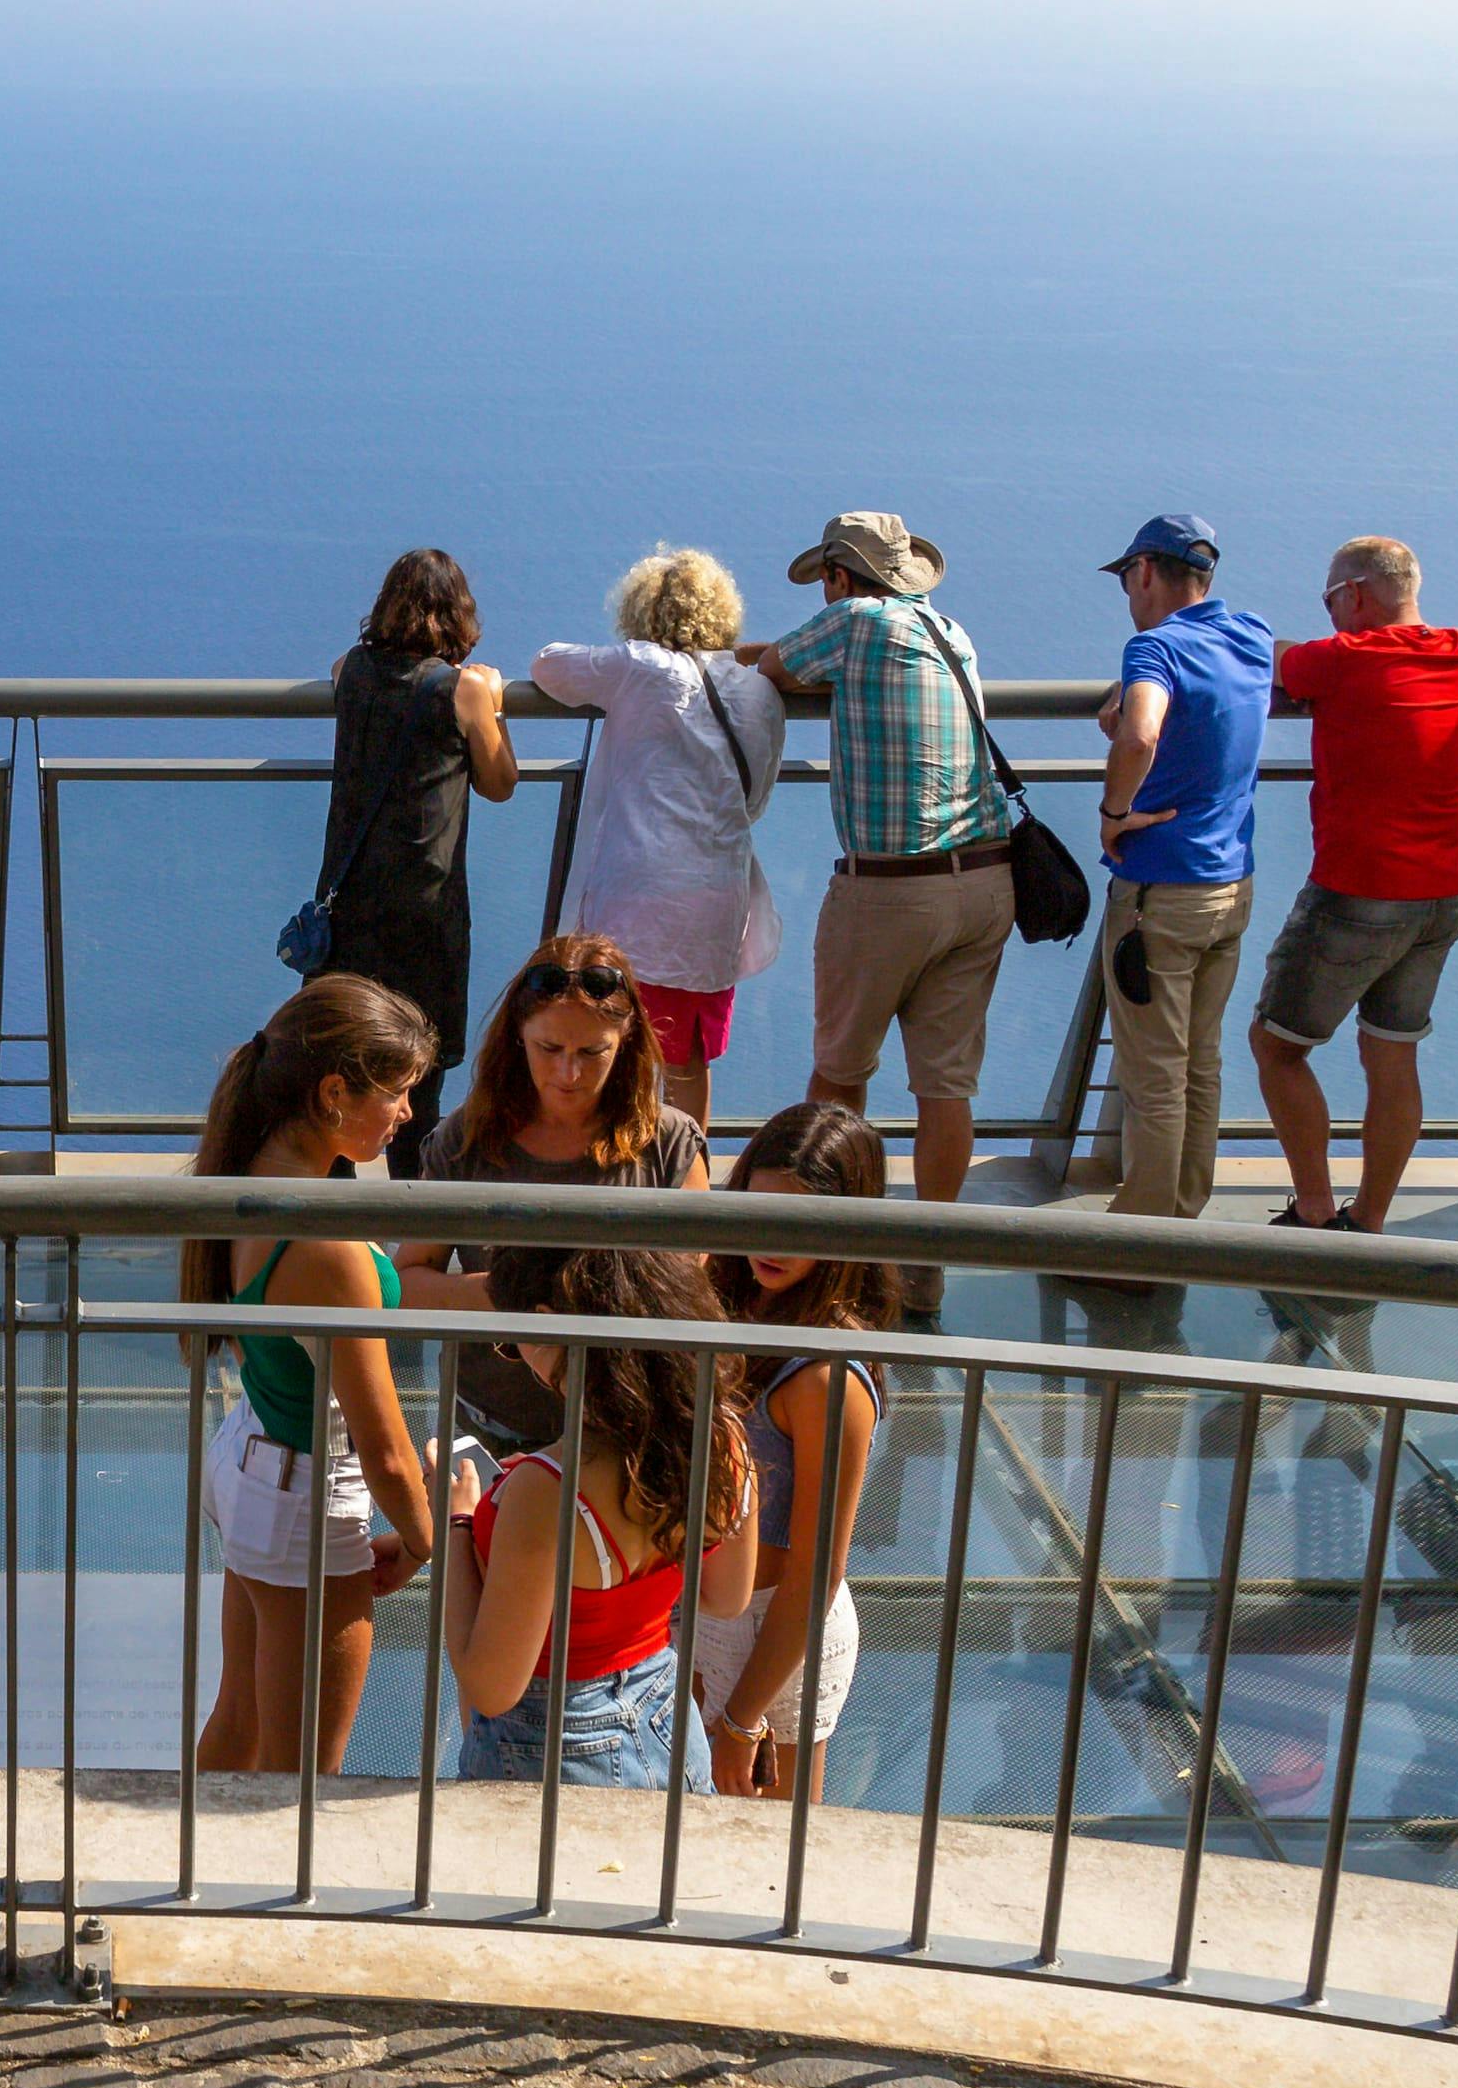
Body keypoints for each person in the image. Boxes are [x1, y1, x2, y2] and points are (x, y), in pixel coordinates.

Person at [184, 977, 465, 1775]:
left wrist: (486, 1297)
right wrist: (435, 1544)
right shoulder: (328, 1244)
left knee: (237, 1723)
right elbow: (384, 1450)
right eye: (400, 1092)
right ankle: (269, 1898)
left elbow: (366, 1292)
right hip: (308, 1503)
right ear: (336, 1092)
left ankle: (192, 1883)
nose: (409, 1112)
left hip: (254, 1468)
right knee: (302, 1778)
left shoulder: (262, 1177)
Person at [759, 511, 1013, 1275]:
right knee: (946, 1085)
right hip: (984, 881)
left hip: (893, 890)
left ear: (838, 578)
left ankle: (828, 1256)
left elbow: (772, 666)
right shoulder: (950, 631)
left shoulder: (854, 623)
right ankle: (927, 1262)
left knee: (839, 1073)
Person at [441, 1243, 761, 1790]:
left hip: (553, 1748)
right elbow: (726, 1598)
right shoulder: (720, 1438)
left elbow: (492, 1686)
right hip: (665, 1719)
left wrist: (456, 1523)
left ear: (546, 1329)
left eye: (509, 1342)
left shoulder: (547, 1491)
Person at [1248, 540, 1458, 1234]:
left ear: (1353, 595)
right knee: (1392, 1052)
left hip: (1361, 889)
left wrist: (1310, 642)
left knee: (1277, 1046)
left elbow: (1282, 658)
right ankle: (1371, 1220)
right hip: (1443, 892)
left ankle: (1317, 1210)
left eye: (1330, 601)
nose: (1327, 614)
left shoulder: (1343, 659)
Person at [410, 935, 714, 1455]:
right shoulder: (464, 1143)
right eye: (548, 1049)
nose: (568, 1074)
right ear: (516, 1039)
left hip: (627, 1431)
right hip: (494, 1428)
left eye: (592, 1052)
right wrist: (514, 1295)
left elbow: (688, 1296)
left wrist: (565, 1303)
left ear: (627, 1041)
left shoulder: (670, 1142)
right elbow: (410, 1286)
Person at [524, 550, 787, 1129]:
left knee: (609, 1045)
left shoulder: (639, 667)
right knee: (688, 1060)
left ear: (641, 608)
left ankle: (615, 1171)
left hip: (637, 893)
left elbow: (549, 665)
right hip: (718, 896)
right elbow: (757, 800)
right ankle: (685, 1185)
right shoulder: (759, 693)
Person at [692, 1105, 897, 1799]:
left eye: (801, 1222)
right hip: (703, 1615)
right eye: (759, 1210)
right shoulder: (730, 1303)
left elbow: (818, 1570)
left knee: (770, 1865)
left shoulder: (828, 1377)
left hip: (777, 1645)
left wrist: (744, 1716)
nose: (771, 1241)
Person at [1089, 516, 1275, 1225]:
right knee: (1201, 1063)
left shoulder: (1154, 646)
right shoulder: (1250, 634)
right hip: (1232, 885)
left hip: (1161, 891)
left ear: (1144, 572)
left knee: (1154, 1076)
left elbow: (1140, 732)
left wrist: (1114, 812)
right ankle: (1183, 1218)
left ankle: (1139, 1242)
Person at [305, 554, 518, 1173]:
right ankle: (416, 1233)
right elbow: (500, 783)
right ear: (458, 613)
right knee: (417, 1085)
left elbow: (343, 665)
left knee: (341, 1066)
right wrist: (495, 703)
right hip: (425, 910)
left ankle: (335, 1232)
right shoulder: (464, 690)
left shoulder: (350, 672)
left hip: (349, 907)